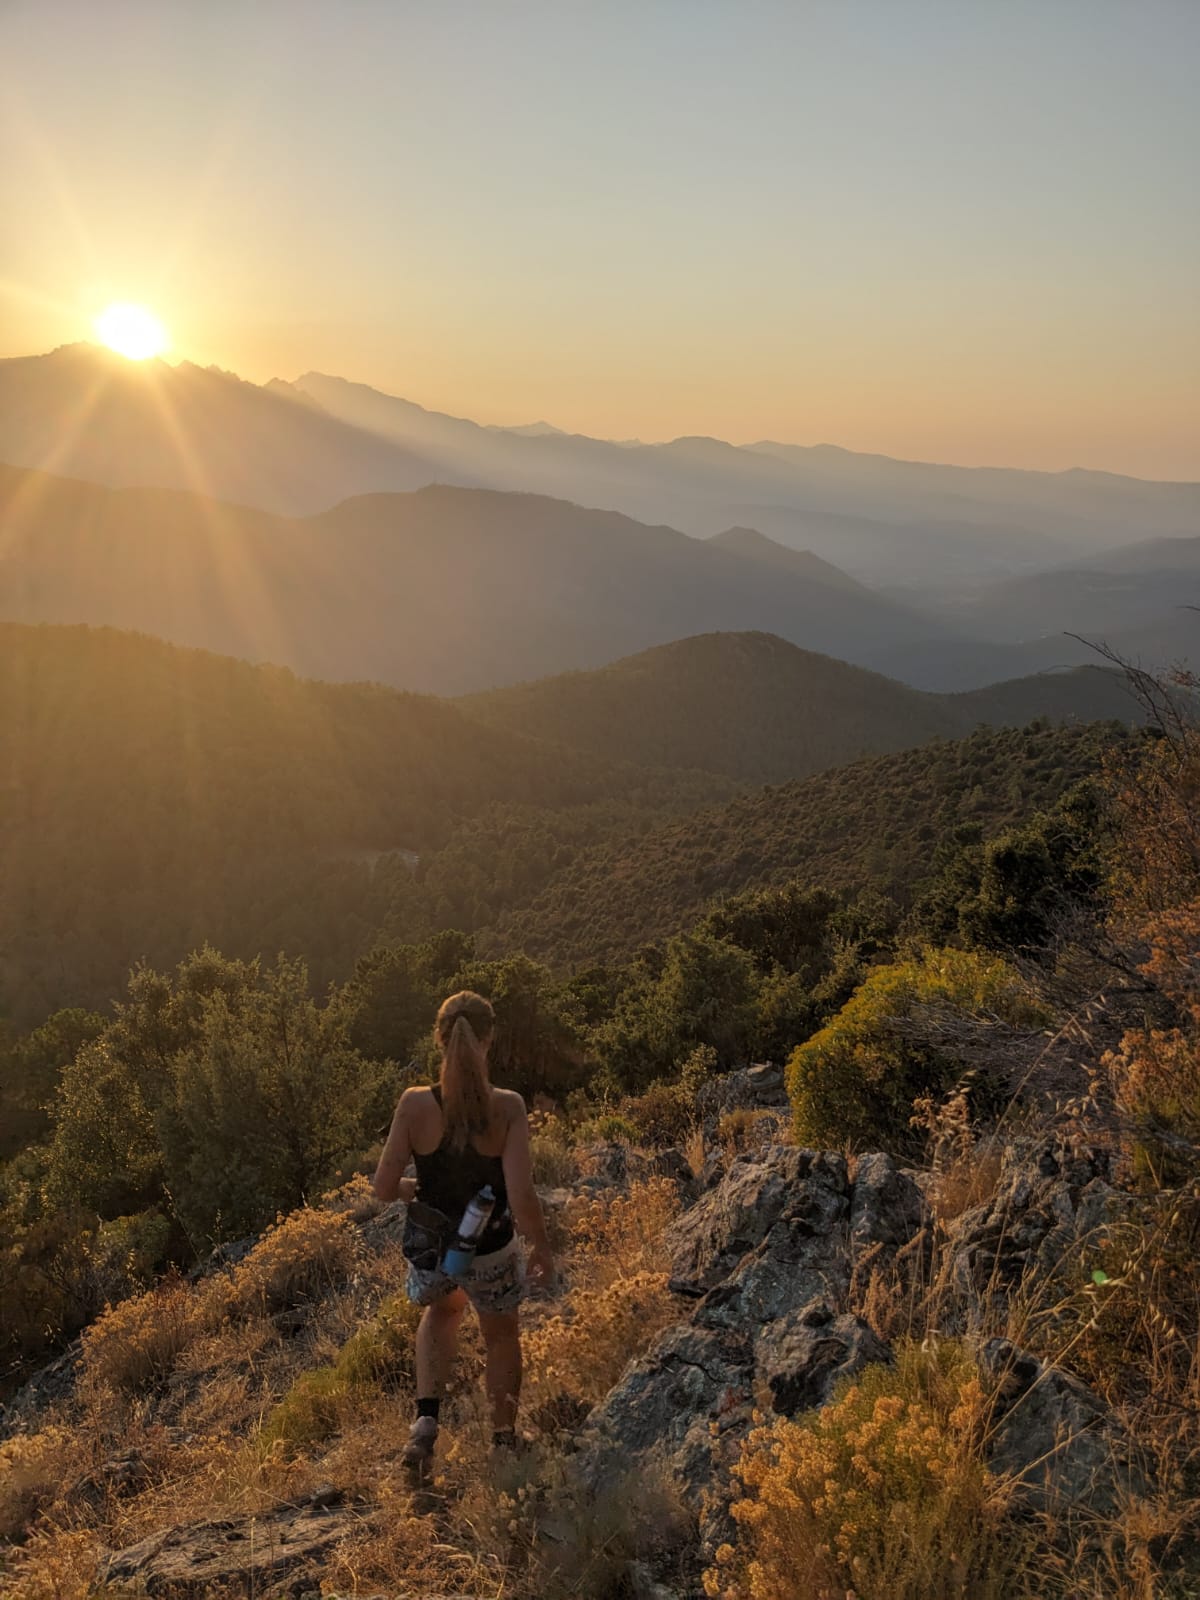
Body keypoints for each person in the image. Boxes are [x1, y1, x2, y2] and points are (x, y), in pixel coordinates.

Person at [371, 989, 555, 1484]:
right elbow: (520, 1191)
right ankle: (502, 1441)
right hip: (491, 1247)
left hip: (436, 1253)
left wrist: (413, 1190)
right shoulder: (509, 1108)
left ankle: (425, 1424)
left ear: (438, 1039)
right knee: (500, 1334)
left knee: (441, 1314)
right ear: (490, 1039)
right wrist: (540, 1245)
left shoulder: (413, 1105)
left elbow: (383, 1187)